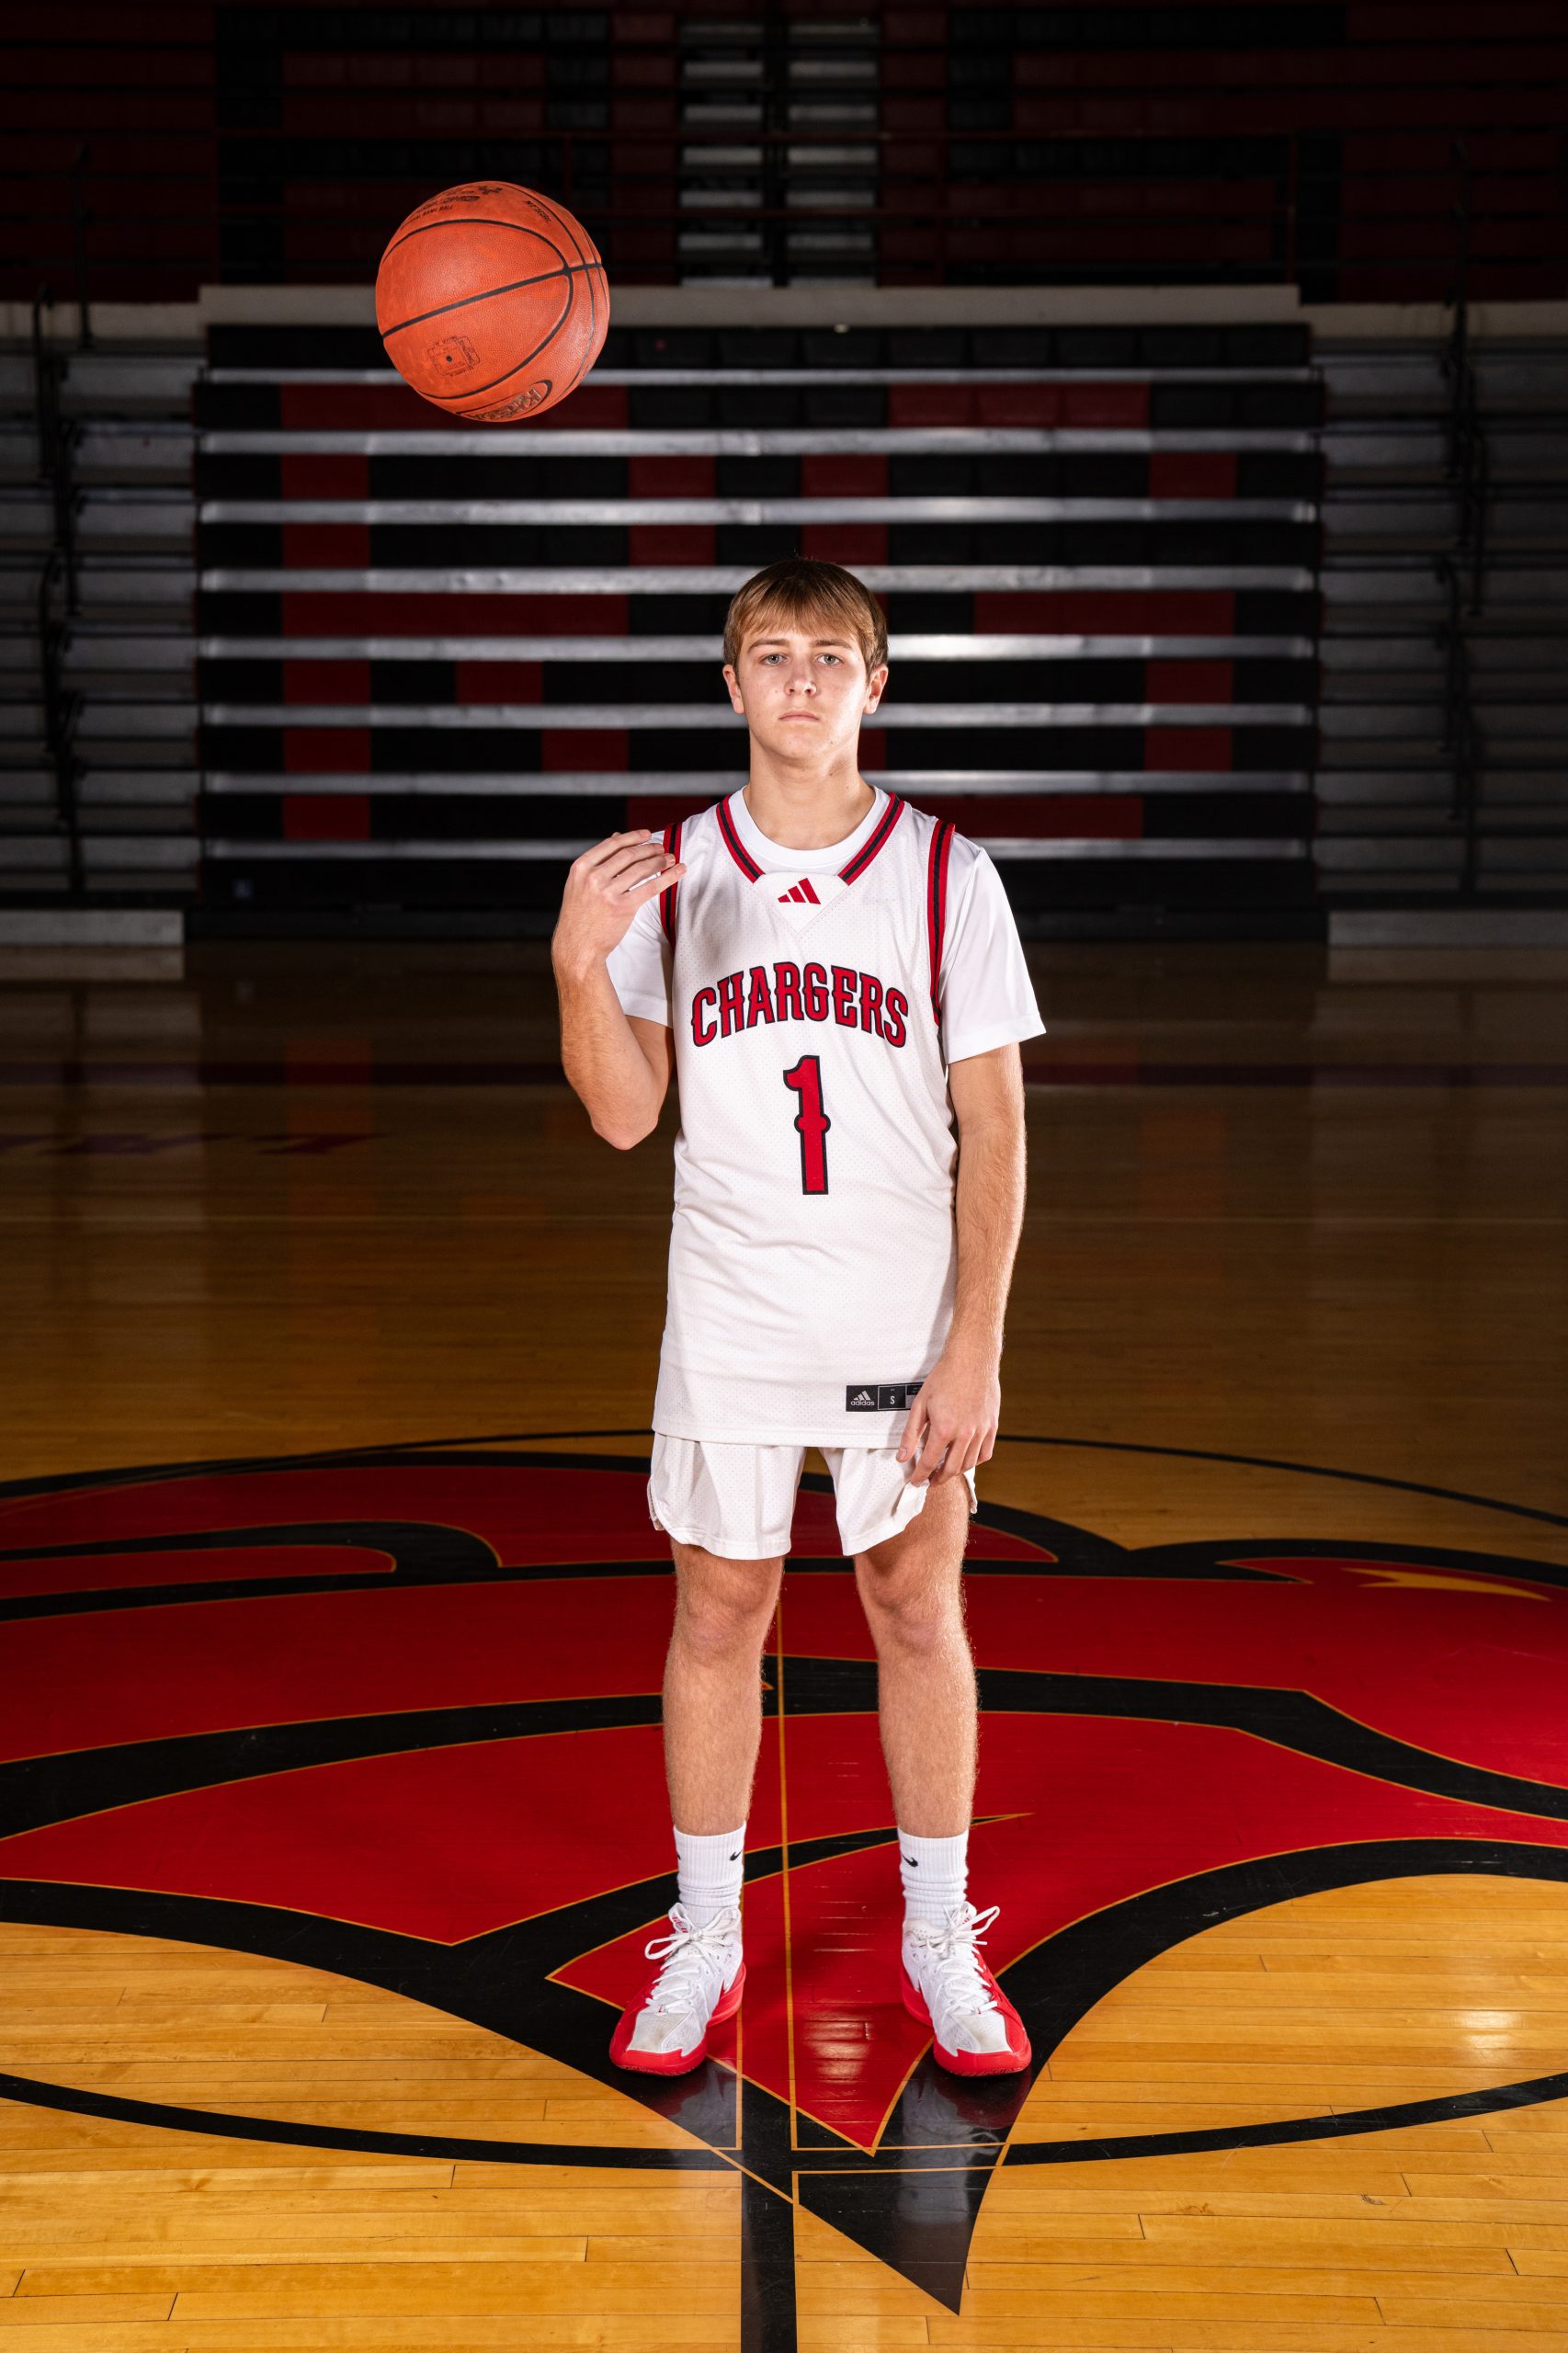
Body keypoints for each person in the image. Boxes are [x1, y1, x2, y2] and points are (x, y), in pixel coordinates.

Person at [551, 556, 1044, 2080]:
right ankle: (704, 1931)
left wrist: (977, 1343)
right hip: (732, 1308)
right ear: (732, 684)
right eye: (774, 656)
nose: (804, 683)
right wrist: (575, 964)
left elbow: (997, 1127)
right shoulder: (669, 873)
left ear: (875, 685)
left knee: (915, 1609)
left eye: (833, 657)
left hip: (898, 1312)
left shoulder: (947, 872)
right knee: (716, 1615)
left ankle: (937, 1931)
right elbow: (622, 1115)